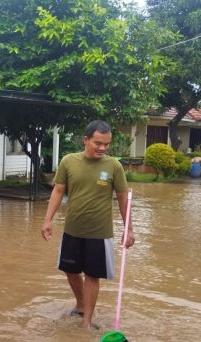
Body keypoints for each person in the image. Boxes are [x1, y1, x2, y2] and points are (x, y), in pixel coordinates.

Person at [41, 120, 135, 329]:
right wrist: (48, 220)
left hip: (99, 233)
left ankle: (86, 321)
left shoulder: (113, 166)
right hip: (73, 229)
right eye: (98, 143)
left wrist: (129, 229)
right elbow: (58, 191)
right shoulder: (68, 162)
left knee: (93, 275)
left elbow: (122, 198)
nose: (103, 148)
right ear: (86, 140)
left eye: (107, 144)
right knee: (70, 270)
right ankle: (81, 304)